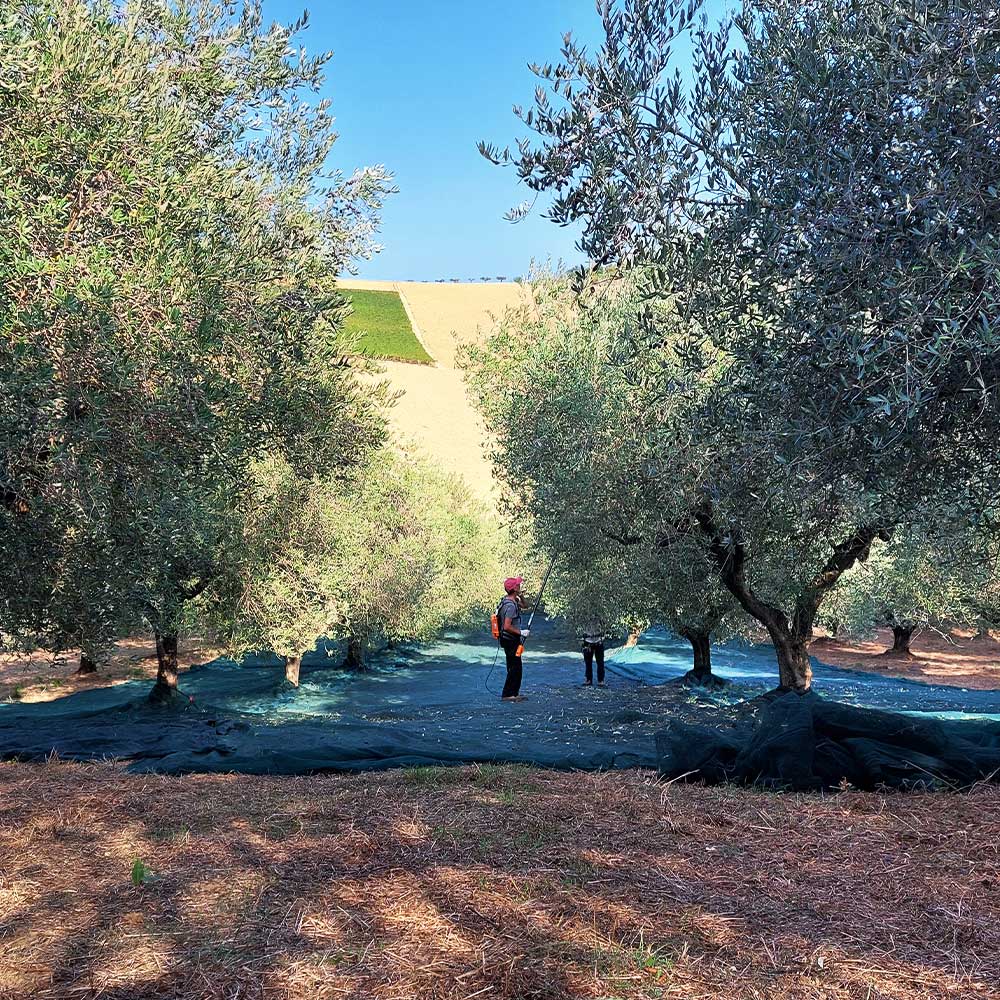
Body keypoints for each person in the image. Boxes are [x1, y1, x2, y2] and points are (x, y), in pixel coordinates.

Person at [497, 576, 531, 702]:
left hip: (508, 639)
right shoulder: (510, 606)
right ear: (514, 588)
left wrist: (521, 596)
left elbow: (526, 606)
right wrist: (521, 632)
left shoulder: (510, 600)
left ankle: (513, 694)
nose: (520, 585)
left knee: (515, 666)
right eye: (518, 585)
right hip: (510, 639)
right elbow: (506, 626)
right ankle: (507, 695)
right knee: (515, 667)